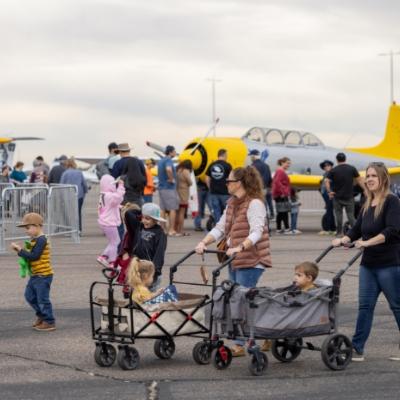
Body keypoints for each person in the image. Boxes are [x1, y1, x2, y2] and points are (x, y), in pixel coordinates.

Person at [195, 166, 271, 356]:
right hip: (234, 259)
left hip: (252, 259)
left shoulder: (255, 204)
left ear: (241, 183)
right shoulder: (232, 203)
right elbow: (220, 228)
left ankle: (238, 344)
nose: (226, 183)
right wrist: (204, 242)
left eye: (229, 181)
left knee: (240, 301)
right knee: (236, 299)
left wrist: (240, 246)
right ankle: (267, 331)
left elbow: (257, 231)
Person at [332, 162, 400, 362]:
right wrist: (344, 239)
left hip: (389, 264)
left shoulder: (392, 201)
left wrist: (368, 242)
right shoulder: (366, 204)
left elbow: (392, 230)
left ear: (383, 179)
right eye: (367, 175)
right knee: (365, 307)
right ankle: (357, 347)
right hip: (368, 266)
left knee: (396, 307)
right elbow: (356, 231)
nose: (369, 179)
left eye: (374, 176)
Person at [10, 213, 56, 331]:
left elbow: (34, 256)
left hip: (43, 275)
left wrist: (20, 251)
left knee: (42, 299)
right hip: (35, 275)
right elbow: (31, 255)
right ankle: (41, 315)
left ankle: (49, 321)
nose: (26, 231)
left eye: (28, 228)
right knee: (29, 296)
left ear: (37, 226)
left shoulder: (42, 240)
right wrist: (21, 251)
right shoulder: (35, 240)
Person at [115, 203, 168, 294]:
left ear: (155, 219)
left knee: (148, 299)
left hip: (150, 272)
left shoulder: (160, 233)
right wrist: (144, 211)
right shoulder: (139, 227)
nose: (144, 221)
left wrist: (154, 273)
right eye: (143, 218)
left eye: (148, 218)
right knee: (137, 298)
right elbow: (129, 214)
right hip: (137, 269)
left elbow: (159, 254)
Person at [325, 152, 366, 236]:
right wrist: (365, 189)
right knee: (351, 216)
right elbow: (359, 180)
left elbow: (326, 181)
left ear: (337, 160)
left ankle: (339, 233)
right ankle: (356, 232)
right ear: (345, 159)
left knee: (338, 216)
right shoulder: (351, 169)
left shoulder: (333, 170)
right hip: (349, 197)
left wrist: (329, 191)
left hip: (337, 197)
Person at [97, 175, 125, 267]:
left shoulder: (103, 195)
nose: (114, 186)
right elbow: (119, 197)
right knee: (115, 242)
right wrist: (121, 186)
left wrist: (119, 207)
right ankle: (112, 262)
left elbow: (110, 205)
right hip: (109, 223)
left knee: (113, 241)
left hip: (104, 222)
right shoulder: (109, 195)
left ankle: (105, 257)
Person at [60, 159, 88, 233]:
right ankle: (79, 230)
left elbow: (61, 185)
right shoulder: (79, 172)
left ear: (67, 165)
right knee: (78, 212)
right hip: (79, 195)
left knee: (70, 213)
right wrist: (85, 191)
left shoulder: (65, 173)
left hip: (68, 196)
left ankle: (71, 229)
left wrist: (61, 196)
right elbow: (84, 184)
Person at [157, 145, 180, 236]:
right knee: (172, 209)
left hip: (161, 188)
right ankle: (171, 230)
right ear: (170, 152)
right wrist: (171, 179)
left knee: (162, 209)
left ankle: (163, 229)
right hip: (169, 188)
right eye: (174, 151)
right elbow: (168, 169)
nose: (175, 153)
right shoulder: (168, 160)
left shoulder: (161, 160)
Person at [205, 149, 232, 223]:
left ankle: (218, 228)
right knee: (227, 211)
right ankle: (226, 227)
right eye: (226, 155)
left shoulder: (212, 165)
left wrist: (210, 188)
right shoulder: (228, 165)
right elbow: (231, 178)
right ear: (224, 155)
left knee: (216, 211)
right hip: (225, 193)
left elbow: (207, 178)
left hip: (214, 192)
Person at [249, 149, 273, 218]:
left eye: (251, 156)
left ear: (253, 156)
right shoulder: (266, 165)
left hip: (255, 190)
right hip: (264, 189)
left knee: (255, 208)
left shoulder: (252, 166)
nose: (250, 158)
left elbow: (250, 179)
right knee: (263, 206)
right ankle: (266, 225)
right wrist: (269, 188)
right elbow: (269, 179)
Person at [272, 157, 291, 233]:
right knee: (284, 212)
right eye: (287, 163)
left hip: (278, 194)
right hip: (281, 195)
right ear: (282, 162)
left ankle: (279, 228)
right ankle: (287, 228)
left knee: (280, 212)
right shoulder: (281, 171)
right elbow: (277, 182)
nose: (288, 165)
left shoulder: (279, 170)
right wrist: (282, 192)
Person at [175, 159, 193, 236]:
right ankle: (180, 230)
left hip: (176, 192)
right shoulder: (186, 171)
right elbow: (190, 182)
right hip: (184, 193)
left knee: (176, 212)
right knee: (182, 213)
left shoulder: (178, 170)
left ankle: (175, 229)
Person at [318, 160, 336, 235]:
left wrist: (330, 193)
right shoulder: (325, 174)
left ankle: (330, 229)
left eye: (328, 165)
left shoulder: (331, 174)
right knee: (329, 211)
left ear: (331, 166)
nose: (326, 167)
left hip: (329, 194)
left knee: (329, 211)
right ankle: (331, 228)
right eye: (325, 166)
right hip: (325, 194)